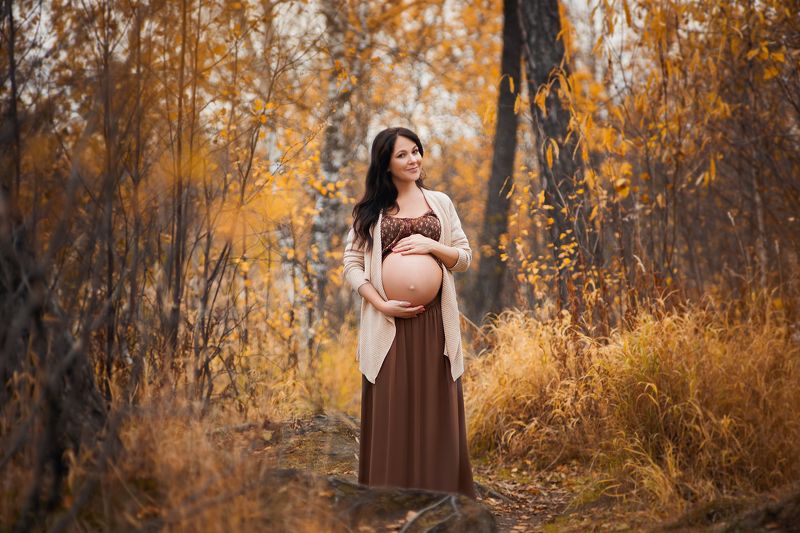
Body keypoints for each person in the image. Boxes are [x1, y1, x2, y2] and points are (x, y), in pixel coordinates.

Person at [342, 126, 477, 499]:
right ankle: (387, 498)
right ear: (385, 163)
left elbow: (464, 257)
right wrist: (381, 302)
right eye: (402, 155)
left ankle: (442, 495)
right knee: (394, 410)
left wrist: (433, 245)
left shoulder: (440, 202)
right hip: (389, 324)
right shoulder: (371, 211)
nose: (413, 160)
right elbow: (352, 264)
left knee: (436, 411)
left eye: (416, 151)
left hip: (435, 324)